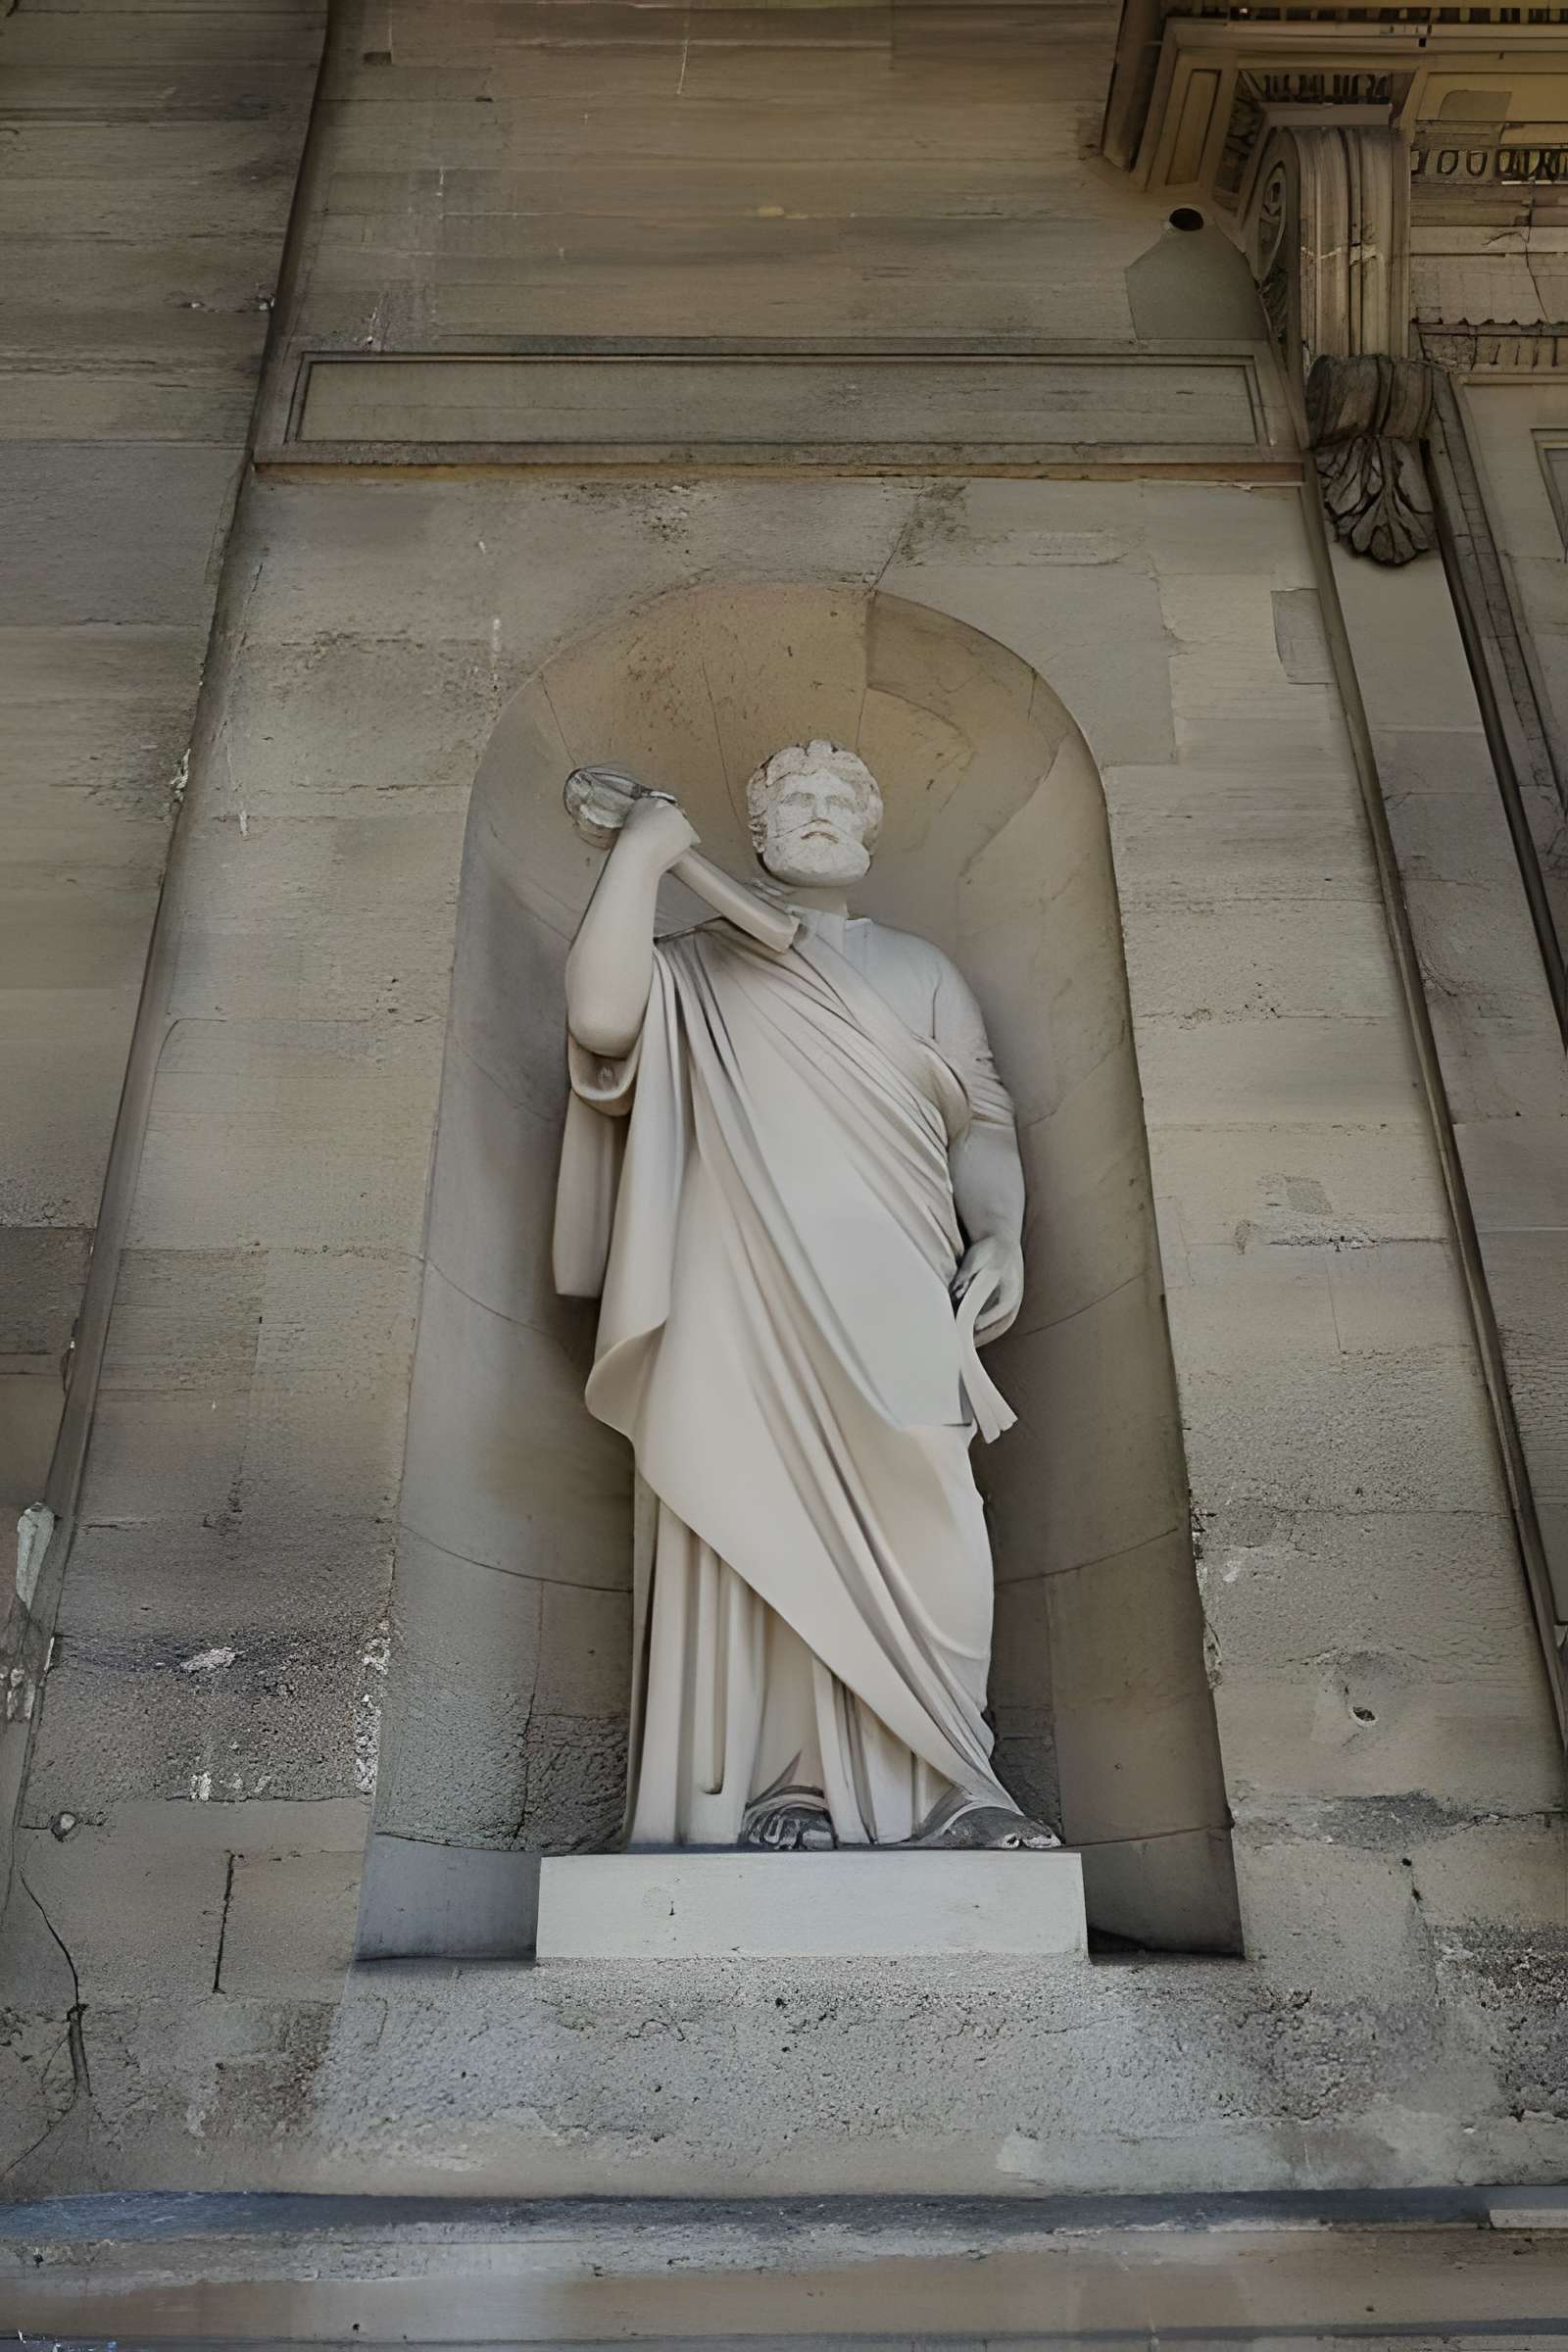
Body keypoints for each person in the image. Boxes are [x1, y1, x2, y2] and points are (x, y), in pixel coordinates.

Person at [554, 740, 1056, 1852]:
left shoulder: (919, 968)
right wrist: (640, 857)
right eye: (795, 802)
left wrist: (1005, 1233)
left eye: (841, 800)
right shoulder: (696, 961)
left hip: (894, 1274)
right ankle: (780, 1787)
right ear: (758, 829)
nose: (820, 816)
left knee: (932, 1503)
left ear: (871, 835)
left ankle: (951, 1783)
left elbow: (980, 1121)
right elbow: (599, 1023)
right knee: (749, 1513)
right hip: (739, 1278)